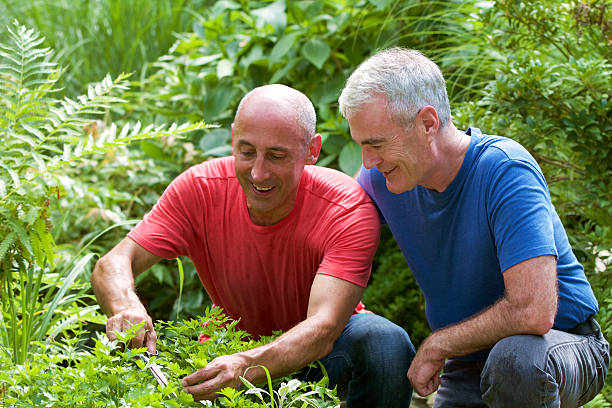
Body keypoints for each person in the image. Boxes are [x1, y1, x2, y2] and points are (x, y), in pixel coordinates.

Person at [91, 84, 415, 407]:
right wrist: (126, 307)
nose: (259, 173)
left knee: (385, 343)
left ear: (312, 151)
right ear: (233, 137)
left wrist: (247, 366)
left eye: (276, 156)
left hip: (322, 352)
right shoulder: (200, 189)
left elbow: (324, 328)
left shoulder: (345, 207)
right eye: (246, 152)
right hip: (229, 352)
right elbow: (113, 263)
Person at [338, 47, 610, 407]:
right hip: (470, 361)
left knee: (517, 360)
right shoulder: (380, 178)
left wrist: (438, 344)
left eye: (376, 145)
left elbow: (534, 311)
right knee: (506, 361)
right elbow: (330, 223)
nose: (367, 161)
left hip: (561, 346)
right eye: (361, 146)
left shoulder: (505, 169)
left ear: (427, 124)